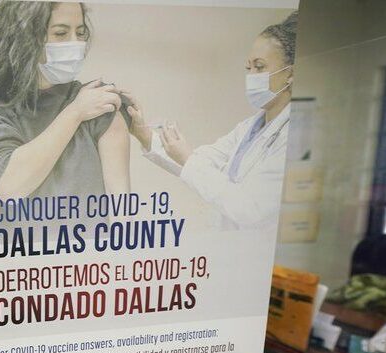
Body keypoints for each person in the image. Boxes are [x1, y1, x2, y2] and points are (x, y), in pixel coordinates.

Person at [124, 12, 298, 230]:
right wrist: (143, 133)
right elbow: (200, 162)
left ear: (291, 73)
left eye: (260, 67)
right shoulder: (249, 128)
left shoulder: (294, 136)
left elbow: (251, 210)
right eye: (248, 67)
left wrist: (187, 158)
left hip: (258, 253)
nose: (252, 75)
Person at [0, 0, 130, 207]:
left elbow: (122, 210)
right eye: (60, 33)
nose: (75, 43)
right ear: (24, 37)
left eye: (80, 32)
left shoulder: (98, 101)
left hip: (88, 240)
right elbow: (10, 186)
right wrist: (75, 112)